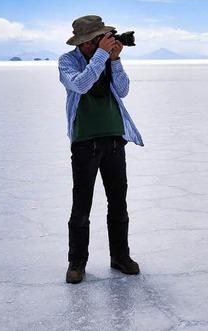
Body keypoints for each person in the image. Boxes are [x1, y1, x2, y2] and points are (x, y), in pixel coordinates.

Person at [58, 15, 144, 284]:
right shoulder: (67, 61)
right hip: (85, 143)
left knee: (118, 203)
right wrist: (102, 56)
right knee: (81, 205)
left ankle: (120, 256)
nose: (104, 41)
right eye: (98, 38)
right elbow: (81, 84)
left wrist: (115, 60)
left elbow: (123, 89)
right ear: (86, 41)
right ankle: (77, 263)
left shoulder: (106, 57)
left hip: (115, 141)